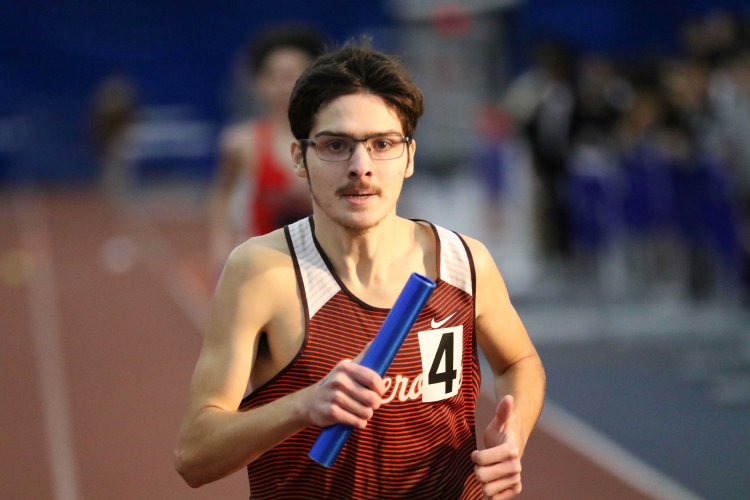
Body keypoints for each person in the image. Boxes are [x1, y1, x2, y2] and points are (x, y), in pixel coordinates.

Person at [176, 44, 546, 500]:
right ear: (299, 157)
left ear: (409, 157)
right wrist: (303, 405)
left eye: (382, 144)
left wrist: (513, 435)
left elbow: (519, 362)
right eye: (336, 145)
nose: (361, 167)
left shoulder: (463, 263)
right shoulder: (262, 273)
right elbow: (194, 455)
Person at [209, 26, 325, 275]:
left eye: (293, 75)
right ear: (260, 83)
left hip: (321, 270)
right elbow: (222, 196)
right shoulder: (241, 143)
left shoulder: (334, 142)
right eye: (275, 76)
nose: (284, 86)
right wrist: (221, 251)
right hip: (262, 272)